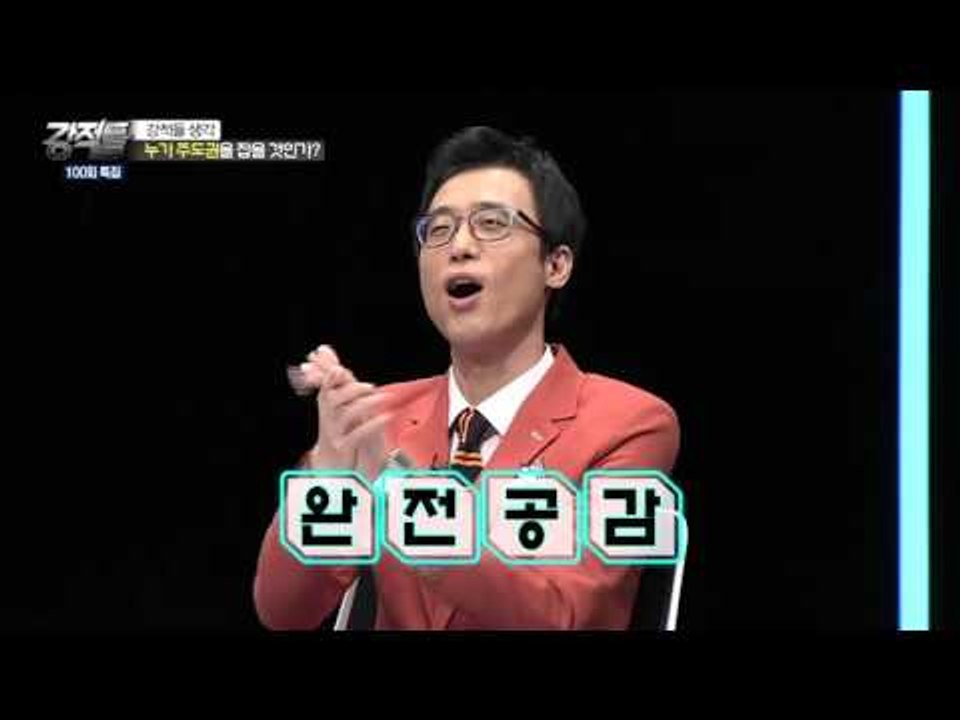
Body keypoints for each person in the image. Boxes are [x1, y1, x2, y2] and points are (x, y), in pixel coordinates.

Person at [253, 126, 680, 630]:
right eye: (438, 229)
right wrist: (326, 476)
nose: (458, 246)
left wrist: (396, 489)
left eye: (491, 224)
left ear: (556, 264)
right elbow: (285, 611)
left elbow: (566, 614)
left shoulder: (631, 423)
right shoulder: (379, 418)